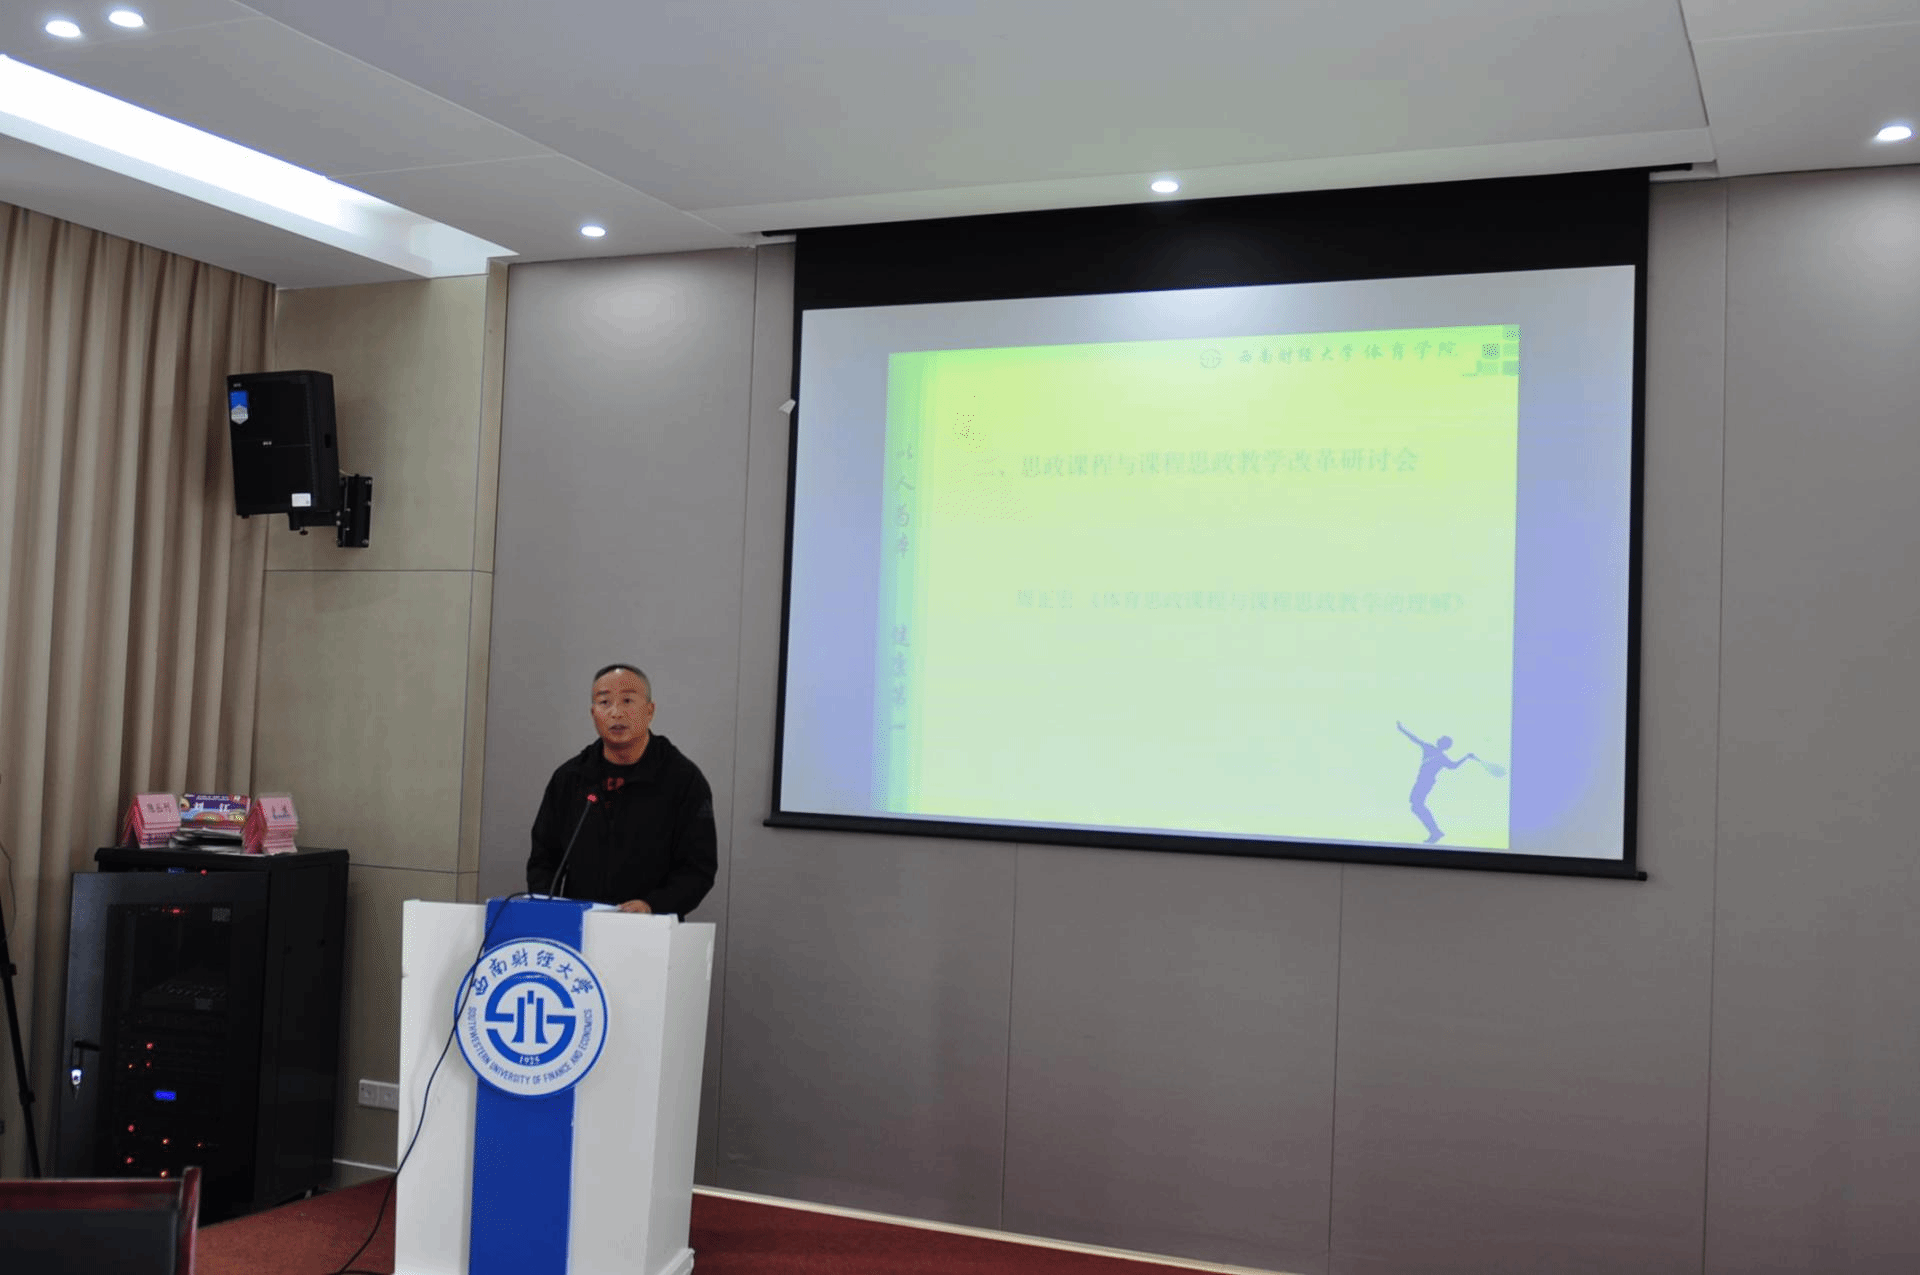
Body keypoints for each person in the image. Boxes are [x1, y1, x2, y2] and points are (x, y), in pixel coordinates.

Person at [526, 664, 717, 917]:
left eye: (627, 701)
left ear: (650, 711)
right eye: (604, 702)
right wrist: (548, 907)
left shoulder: (683, 779)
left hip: (650, 926)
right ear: (593, 713)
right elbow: (544, 859)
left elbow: (697, 869)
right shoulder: (571, 778)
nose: (616, 712)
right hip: (580, 926)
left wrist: (652, 905)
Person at [1395, 721, 1478, 846]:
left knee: (1416, 805)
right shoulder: (1438, 754)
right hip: (1423, 782)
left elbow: (1415, 739)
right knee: (1416, 805)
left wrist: (1402, 729)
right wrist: (1466, 757)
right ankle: (1435, 832)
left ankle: (1435, 832)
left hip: (1425, 782)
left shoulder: (1432, 751)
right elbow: (1453, 766)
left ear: (1441, 743)